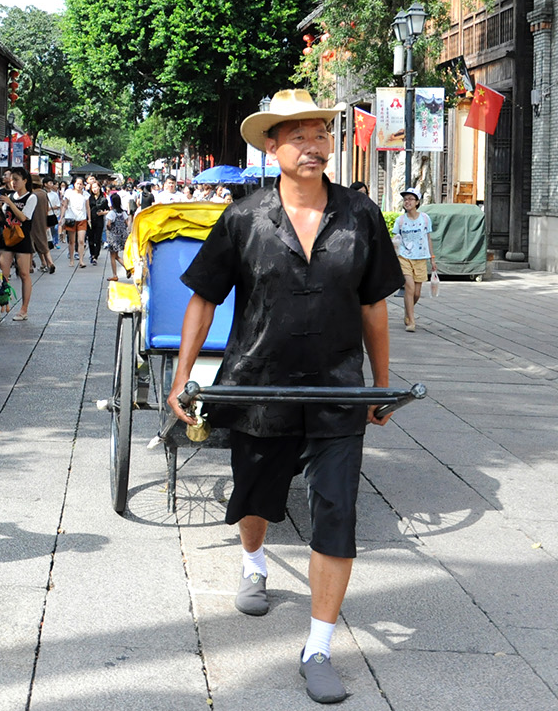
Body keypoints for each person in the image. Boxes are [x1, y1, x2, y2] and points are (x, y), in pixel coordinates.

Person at [165, 89, 402, 705]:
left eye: (320, 133)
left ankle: (318, 645)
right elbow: (203, 297)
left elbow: (374, 305)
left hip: (337, 388)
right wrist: (183, 375)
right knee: (256, 499)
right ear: (271, 147)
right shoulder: (244, 219)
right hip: (259, 382)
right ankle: (254, 561)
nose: (312, 145)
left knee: (336, 511)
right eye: (296, 135)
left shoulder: (361, 215)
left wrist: (380, 383)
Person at [0, 167, 38, 321]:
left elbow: (24, 217)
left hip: (22, 238)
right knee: (2, 273)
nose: (14, 183)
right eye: (12, 180)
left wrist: (10, 203)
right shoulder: (9, 196)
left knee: (24, 273)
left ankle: (24, 309)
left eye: (17, 179)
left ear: (25, 180)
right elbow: (3, 219)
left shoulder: (31, 197)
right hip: (8, 237)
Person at [393, 188, 435, 333]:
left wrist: (432, 258)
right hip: (404, 257)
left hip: (421, 258)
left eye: (411, 199)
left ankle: (407, 310)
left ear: (417, 202)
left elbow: (428, 238)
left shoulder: (424, 218)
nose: (407, 202)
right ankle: (411, 321)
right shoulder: (400, 220)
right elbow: (395, 240)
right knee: (409, 287)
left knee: (416, 293)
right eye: (405, 199)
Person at [60, 177, 89, 266]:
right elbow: (65, 205)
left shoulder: (86, 194)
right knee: (72, 241)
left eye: (81, 184)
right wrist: (61, 217)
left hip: (82, 219)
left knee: (81, 240)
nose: (79, 186)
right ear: (74, 184)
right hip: (71, 219)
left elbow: (88, 207)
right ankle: (71, 259)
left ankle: (81, 260)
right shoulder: (69, 192)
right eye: (78, 184)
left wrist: (89, 219)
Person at [104, 187, 131, 281]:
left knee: (112, 255)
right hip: (122, 237)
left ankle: (115, 274)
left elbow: (108, 224)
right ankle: (127, 268)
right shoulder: (123, 212)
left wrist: (109, 229)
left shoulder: (112, 213)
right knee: (116, 255)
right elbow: (127, 223)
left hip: (114, 237)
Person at [87, 181, 108, 264]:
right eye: (93, 188)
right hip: (90, 220)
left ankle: (95, 256)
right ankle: (92, 254)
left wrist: (102, 213)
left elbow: (108, 210)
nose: (94, 189)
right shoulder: (89, 198)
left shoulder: (104, 199)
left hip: (99, 221)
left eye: (96, 187)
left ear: (99, 187)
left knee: (98, 239)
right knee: (90, 239)